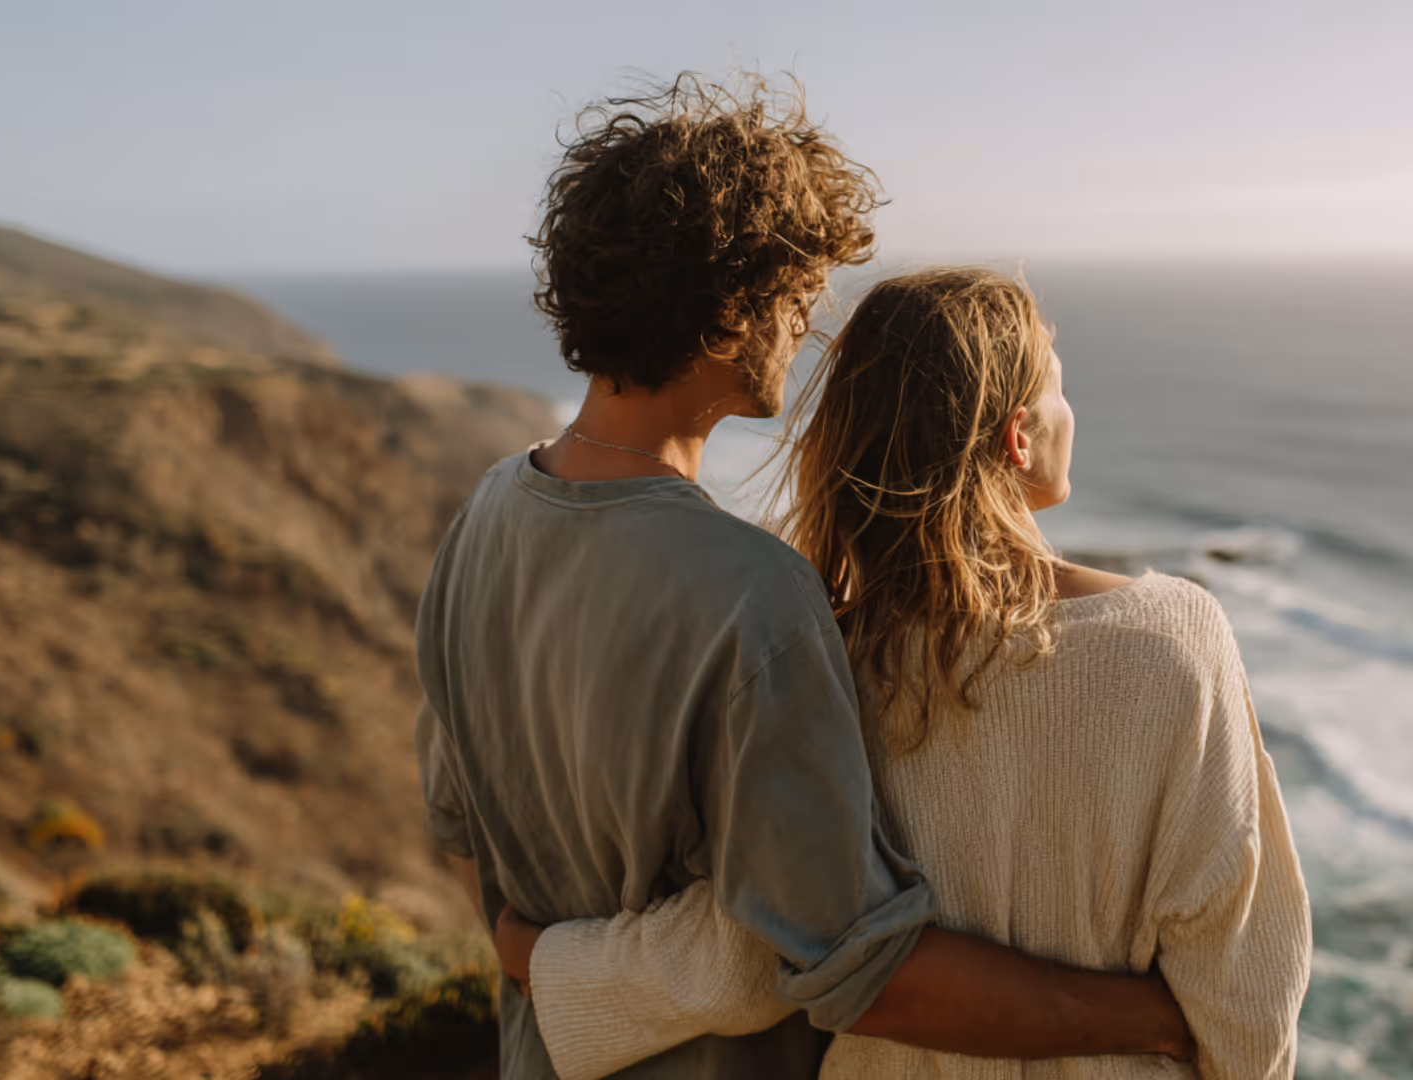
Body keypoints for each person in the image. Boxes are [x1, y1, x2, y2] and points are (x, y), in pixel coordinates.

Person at [413, 76, 1197, 1080]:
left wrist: (544, 957)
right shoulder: (750, 595)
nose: (811, 319)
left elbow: (460, 829)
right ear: (731, 308)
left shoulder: (481, 517)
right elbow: (863, 965)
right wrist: (1157, 1017)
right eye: (797, 290)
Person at [493, 267, 1314, 1079]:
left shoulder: (821, 658)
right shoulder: (1173, 642)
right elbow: (1249, 989)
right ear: (1018, 436)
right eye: (1059, 387)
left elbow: (756, 951)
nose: (1074, 412)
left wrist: (548, 960)